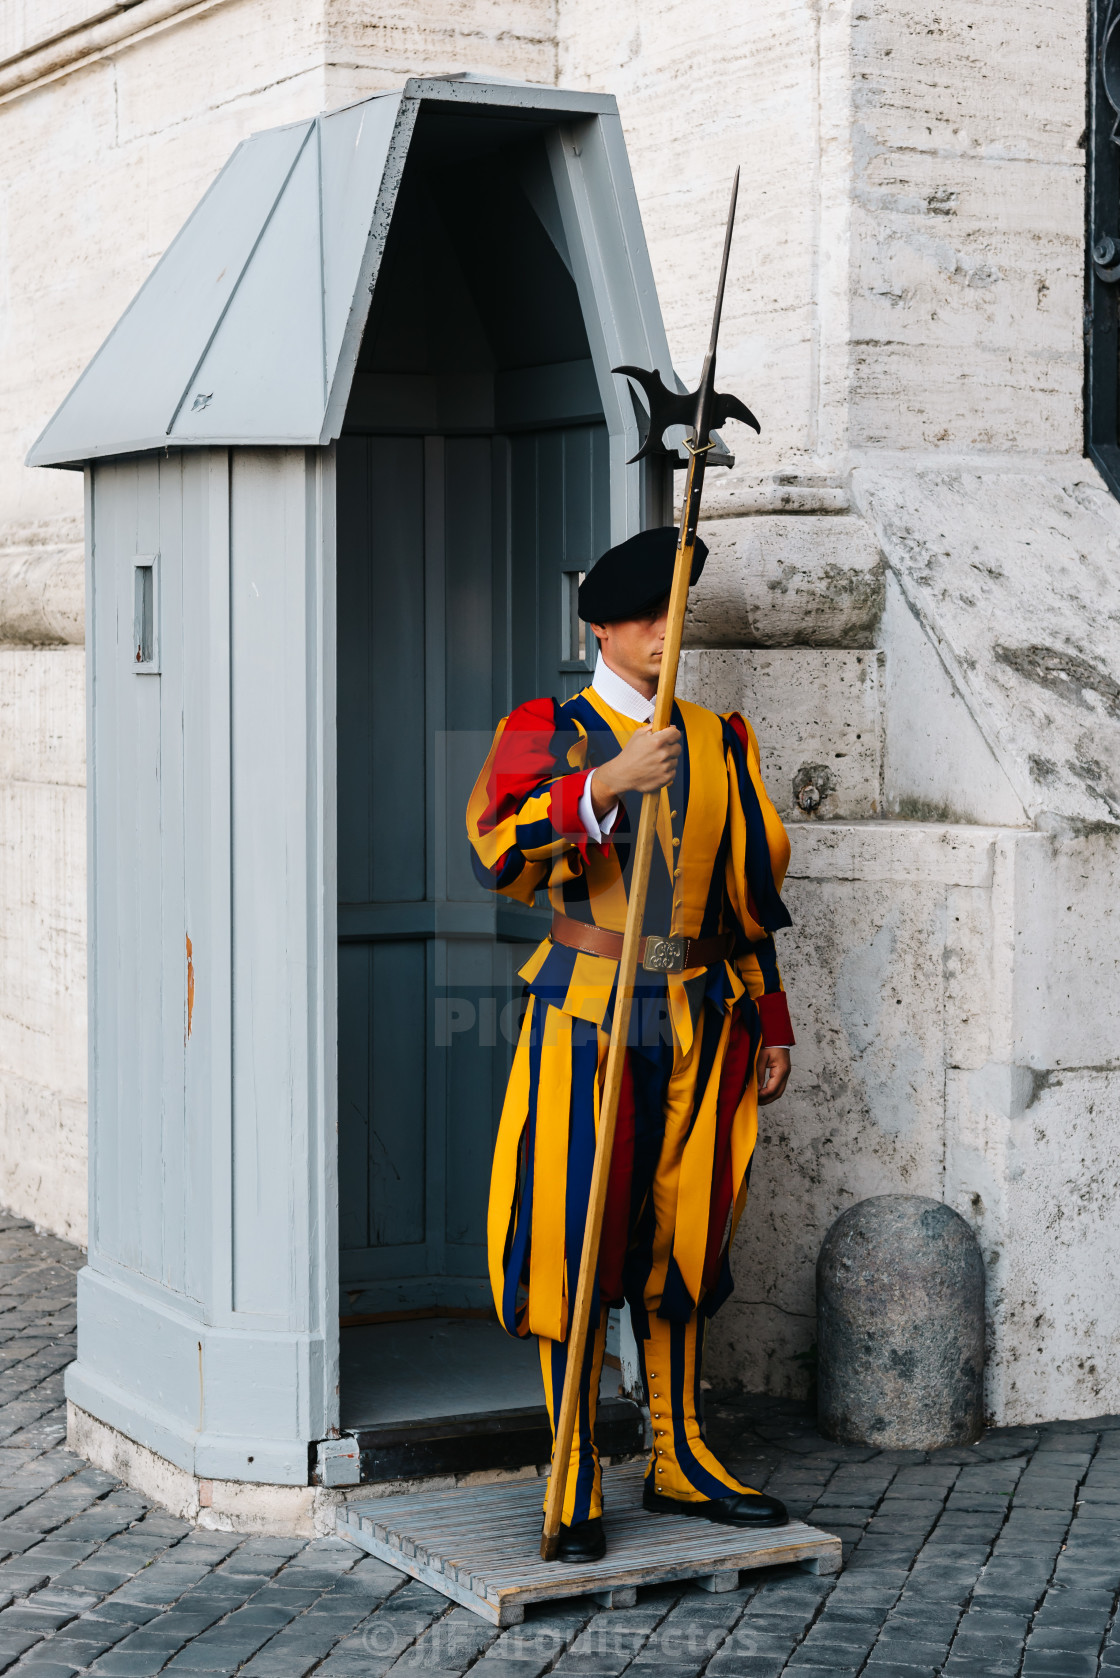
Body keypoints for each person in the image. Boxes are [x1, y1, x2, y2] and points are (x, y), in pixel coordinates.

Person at [466, 526, 795, 1562]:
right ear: (600, 625)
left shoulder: (716, 737)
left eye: (674, 612)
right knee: (574, 1234)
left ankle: (679, 1453)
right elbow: (495, 849)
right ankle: (572, 1469)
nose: (664, 631)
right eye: (644, 615)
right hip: (587, 1008)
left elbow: (747, 901)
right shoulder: (548, 728)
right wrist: (604, 785)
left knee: (685, 1233)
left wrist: (770, 1017)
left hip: (701, 1007)